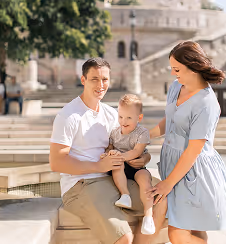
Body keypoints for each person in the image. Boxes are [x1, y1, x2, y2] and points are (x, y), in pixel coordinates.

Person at [50, 57, 167, 244]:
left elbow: (129, 145)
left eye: (105, 79)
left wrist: (143, 158)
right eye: (94, 79)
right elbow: (57, 162)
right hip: (81, 185)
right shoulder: (68, 115)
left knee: (160, 199)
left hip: (111, 178)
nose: (101, 84)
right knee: (123, 239)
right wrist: (98, 166)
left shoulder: (112, 114)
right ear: (83, 80)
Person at [147, 41, 226, 244]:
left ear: (193, 68)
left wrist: (168, 184)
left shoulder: (206, 103)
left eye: (176, 69)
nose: (172, 74)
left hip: (194, 171)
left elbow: (193, 150)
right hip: (175, 166)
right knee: (194, 228)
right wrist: (142, 136)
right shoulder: (176, 87)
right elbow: (169, 122)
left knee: (177, 233)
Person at [101, 94, 155, 235]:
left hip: (136, 165)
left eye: (129, 118)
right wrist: (108, 154)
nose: (123, 121)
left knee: (144, 178)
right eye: (121, 117)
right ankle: (125, 195)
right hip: (120, 164)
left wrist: (121, 156)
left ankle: (148, 216)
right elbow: (110, 148)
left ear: (139, 118)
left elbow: (137, 152)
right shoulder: (114, 132)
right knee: (117, 165)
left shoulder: (142, 133)